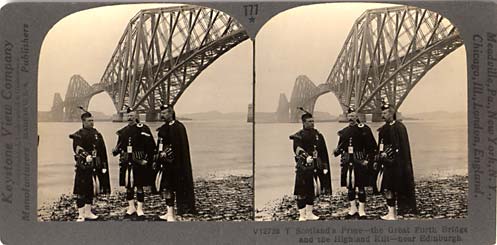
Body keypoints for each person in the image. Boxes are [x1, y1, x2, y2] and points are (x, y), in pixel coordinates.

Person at [333, 106, 377, 219]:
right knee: (350, 186)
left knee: (361, 186)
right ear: (347, 117)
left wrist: (368, 160)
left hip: (360, 161)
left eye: (353, 116)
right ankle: (353, 209)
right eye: (350, 116)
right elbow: (340, 147)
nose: (351, 118)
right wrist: (336, 151)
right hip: (347, 161)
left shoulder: (364, 129)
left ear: (357, 117)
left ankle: (362, 210)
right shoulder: (344, 132)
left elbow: (371, 147)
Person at [154, 105, 196, 221]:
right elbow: (160, 145)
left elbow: (180, 148)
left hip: (176, 165)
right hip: (165, 164)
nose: (162, 115)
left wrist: (168, 154)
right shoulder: (163, 128)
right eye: (161, 113)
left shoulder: (179, 127)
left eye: (165, 113)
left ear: (171, 113)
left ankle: (177, 212)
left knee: (176, 188)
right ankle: (169, 213)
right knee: (167, 188)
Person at [113, 107, 156, 219]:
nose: (129, 118)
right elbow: (119, 146)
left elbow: (151, 146)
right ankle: (131, 207)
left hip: (139, 161)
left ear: (137, 116)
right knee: (128, 186)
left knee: (140, 186)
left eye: (132, 115)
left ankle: (140, 209)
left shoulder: (144, 129)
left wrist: (146, 159)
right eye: (128, 116)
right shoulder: (123, 131)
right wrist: (115, 151)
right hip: (126, 161)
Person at [376, 102, 417, 220]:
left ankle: (398, 213)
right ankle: (391, 213)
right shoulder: (383, 129)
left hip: (397, 164)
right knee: (387, 188)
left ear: (391, 113)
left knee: (396, 188)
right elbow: (381, 145)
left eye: (385, 113)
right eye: (382, 113)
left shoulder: (400, 127)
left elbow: (402, 147)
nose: (383, 116)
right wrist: (380, 157)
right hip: (386, 163)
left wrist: (395, 159)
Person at [69, 109, 110, 222]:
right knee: (81, 191)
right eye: (89, 121)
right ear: (83, 122)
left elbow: (102, 151)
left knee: (91, 190)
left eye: (92, 120)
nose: (92, 123)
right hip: (83, 167)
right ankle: (81, 214)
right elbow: (77, 148)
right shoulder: (78, 135)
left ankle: (88, 212)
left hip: (95, 166)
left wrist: (103, 165)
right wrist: (85, 155)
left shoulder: (97, 134)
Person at [289, 111, 331, 221]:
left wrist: (325, 166)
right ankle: (302, 215)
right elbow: (297, 149)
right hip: (303, 167)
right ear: (303, 123)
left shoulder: (318, 135)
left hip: (315, 167)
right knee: (301, 192)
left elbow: (323, 152)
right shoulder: (298, 136)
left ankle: (309, 213)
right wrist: (305, 156)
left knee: (311, 190)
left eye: (313, 121)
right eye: (309, 122)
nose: (312, 123)